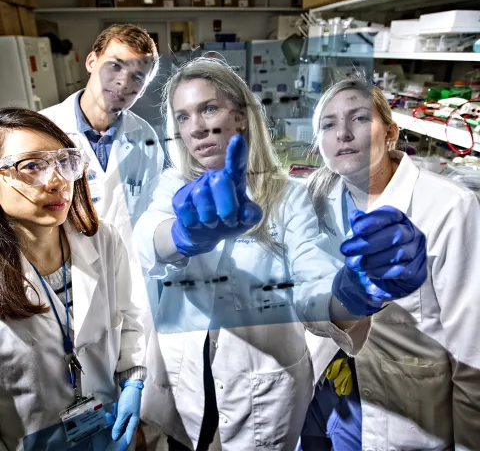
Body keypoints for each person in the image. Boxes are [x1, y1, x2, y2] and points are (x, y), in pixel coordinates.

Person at [133, 58, 427, 451]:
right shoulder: (174, 186)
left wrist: (354, 292)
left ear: (239, 117)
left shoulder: (290, 197)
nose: (198, 127)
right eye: (183, 117)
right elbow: (148, 238)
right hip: (185, 384)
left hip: (263, 392)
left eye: (209, 108)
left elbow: (313, 289)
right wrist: (186, 235)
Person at [302, 79, 480, 450]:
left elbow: (472, 353)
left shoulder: (449, 207)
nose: (344, 134)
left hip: (402, 413)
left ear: (391, 134)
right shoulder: (313, 203)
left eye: (360, 118)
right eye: (328, 125)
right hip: (321, 395)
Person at [0, 108, 147, 450]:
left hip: (106, 431)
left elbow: (131, 321)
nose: (56, 181)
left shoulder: (103, 240)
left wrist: (133, 384)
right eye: (32, 165)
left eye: (63, 162)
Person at [41, 24, 164, 240]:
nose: (122, 82)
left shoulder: (145, 137)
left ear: (142, 89)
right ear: (91, 62)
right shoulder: (41, 128)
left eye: (136, 77)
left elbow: (149, 216)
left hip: (124, 267)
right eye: (115, 66)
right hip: (63, 267)